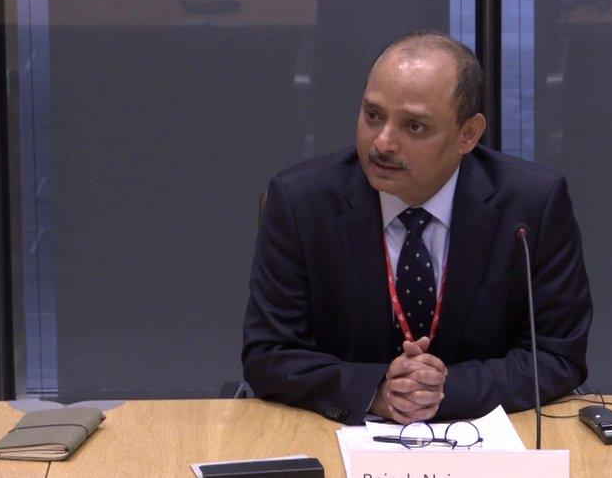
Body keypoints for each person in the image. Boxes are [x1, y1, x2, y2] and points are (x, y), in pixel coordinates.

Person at [242, 30, 593, 424]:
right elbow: (270, 354)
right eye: (372, 116)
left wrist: (443, 391)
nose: (384, 143)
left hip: (485, 436)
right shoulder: (302, 202)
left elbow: (557, 355)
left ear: (468, 134)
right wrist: (375, 390)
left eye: (414, 127)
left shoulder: (532, 205)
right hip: (341, 433)